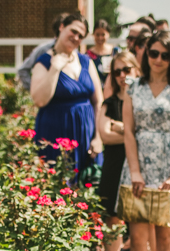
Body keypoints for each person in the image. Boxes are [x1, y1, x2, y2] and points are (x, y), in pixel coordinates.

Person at [119, 31, 170, 251]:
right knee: (138, 236)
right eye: (154, 53)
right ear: (146, 53)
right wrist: (134, 172)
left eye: (165, 55)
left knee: (164, 235)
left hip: (169, 165)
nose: (158, 59)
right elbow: (129, 132)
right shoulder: (133, 87)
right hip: (138, 164)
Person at [30, 13, 103, 175]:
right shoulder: (44, 62)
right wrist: (55, 69)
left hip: (86, 134)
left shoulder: (86, 61)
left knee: (88, 184)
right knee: (56, 185)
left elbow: (98, 101)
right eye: (74, 31)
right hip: (54, 134)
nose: (76, 37)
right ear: (62, 27)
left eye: (81, 36)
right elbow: (40, 100)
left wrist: (98, 137)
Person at [97, 51, 140, 251]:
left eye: (126, 69)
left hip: (137, 167)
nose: (122, 75)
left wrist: (120, 127)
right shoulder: (109, 103)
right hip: (114, 164)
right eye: (117, 72)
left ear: (136, 69)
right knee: (112, 219)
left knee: (139, 220)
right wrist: (133, 134)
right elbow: (105, 135)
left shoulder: (143, 101)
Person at [17, 13, 68, 91]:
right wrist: (34, 89)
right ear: (60, 29)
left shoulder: (75, 53)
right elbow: (23, 69)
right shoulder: (44, 50)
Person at [87, 19, 119, 86]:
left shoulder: (116, 52)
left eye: (103, 34)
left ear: (108, 34)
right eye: (97, 35)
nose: (100, 38)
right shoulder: (87, 55)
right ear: (93, 34)